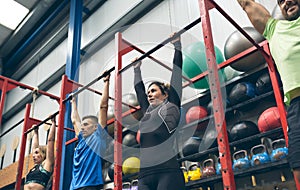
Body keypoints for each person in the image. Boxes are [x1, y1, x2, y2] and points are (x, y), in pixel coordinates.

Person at [236, 0, 300, 183]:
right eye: (281, 1)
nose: (286, 1)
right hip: (297, 105)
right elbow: (246, 3)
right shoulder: (274, 30)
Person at [133, 33, 185, 190]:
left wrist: (177, 46)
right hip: (144, 176)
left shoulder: (171, 106)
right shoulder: (147, 113)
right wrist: (136, 70)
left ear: (165, 94)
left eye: (154, 91)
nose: (149, 94)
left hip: (167, 172)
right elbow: (140, 91)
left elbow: (176, 74)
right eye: (149, 92)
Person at [69, 72, 110, 190]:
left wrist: (106, 82)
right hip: (74, 187)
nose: (82, 127)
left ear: (95, 127)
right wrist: (73, 102)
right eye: (82, 125)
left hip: (90, 186)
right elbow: (74, 120)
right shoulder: (81, 138)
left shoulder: (98, 136)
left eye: (86, 125)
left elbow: (103, 107)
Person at [24, 116, 56, 190]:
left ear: (44, 154)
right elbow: (35, 147)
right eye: (34, 154)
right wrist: (35, 132)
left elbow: (50, 140)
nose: (33, 156)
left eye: (36, 153)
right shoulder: (35, 167)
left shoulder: (47, 164)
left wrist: (53, 123)